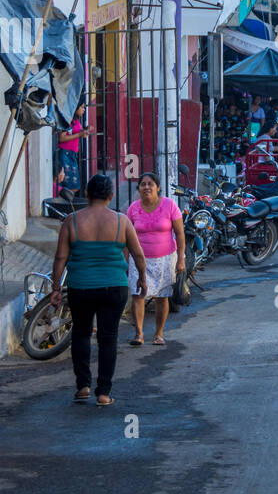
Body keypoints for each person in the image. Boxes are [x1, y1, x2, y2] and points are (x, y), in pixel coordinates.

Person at [50, 172, 147, 406]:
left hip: (80, 287)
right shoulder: (122, 221)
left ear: (86, 194)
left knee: (81, 333)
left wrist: (55, 287)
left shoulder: (71, 221)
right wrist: (142, 278)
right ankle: (103, 392)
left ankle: (83, 385)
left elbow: (60, 257)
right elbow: (138, 254)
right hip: (114, 287)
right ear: (111, 195)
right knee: (108, 338)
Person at [126, 172, 186, 347]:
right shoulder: (133, 208)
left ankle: (158, 334)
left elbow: (180, 233)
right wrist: (125, 259)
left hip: (165, 258)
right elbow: (126, 236)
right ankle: (139, 334)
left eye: (150, 184)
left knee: (162, 296)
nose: (146, 187)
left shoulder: (170, 205)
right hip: (139, 259)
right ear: (138, 188)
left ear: (158, 187)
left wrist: (180, 259)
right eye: (143, 184)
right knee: (138, 295)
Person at [56, 99, 93, 200]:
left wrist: (84, 131)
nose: (83, 109)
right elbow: (61, 138)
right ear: (75, 108)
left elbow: (73, 133)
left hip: (72, 154)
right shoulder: (67, 120)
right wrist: (80, 134)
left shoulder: (76, 120)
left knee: (73, 186)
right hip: (65, 154)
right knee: (71, 186)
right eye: (81, 107)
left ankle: (63, 203)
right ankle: (62, 203)